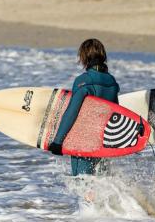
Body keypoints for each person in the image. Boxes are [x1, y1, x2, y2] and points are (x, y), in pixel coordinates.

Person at [48, 39, 120, 176]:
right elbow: (115, 112)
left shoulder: (83, 81)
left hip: (84, 141)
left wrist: (58, 141)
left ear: (84, 57)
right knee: (102, 184)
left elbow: (72, 112)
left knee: (82, 184)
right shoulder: (112, 82)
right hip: (104, 142)